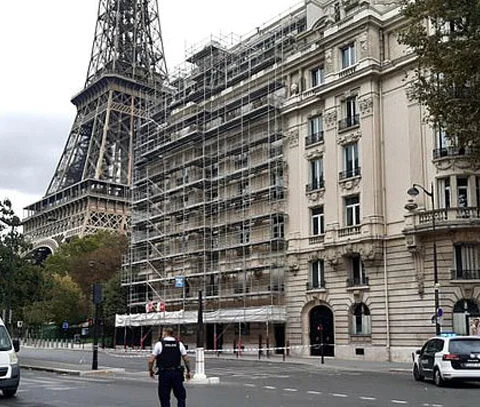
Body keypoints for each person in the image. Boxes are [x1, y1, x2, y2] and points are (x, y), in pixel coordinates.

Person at [148, 327, 191, 407]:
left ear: (165, 333)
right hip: (177, 373)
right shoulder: (179, 344)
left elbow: (151, 360)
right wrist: (188, 371)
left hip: (164, 374)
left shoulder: (159, 344)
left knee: (164, 397)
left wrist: (151, 370)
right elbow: (186, 359)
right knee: (181, 396)